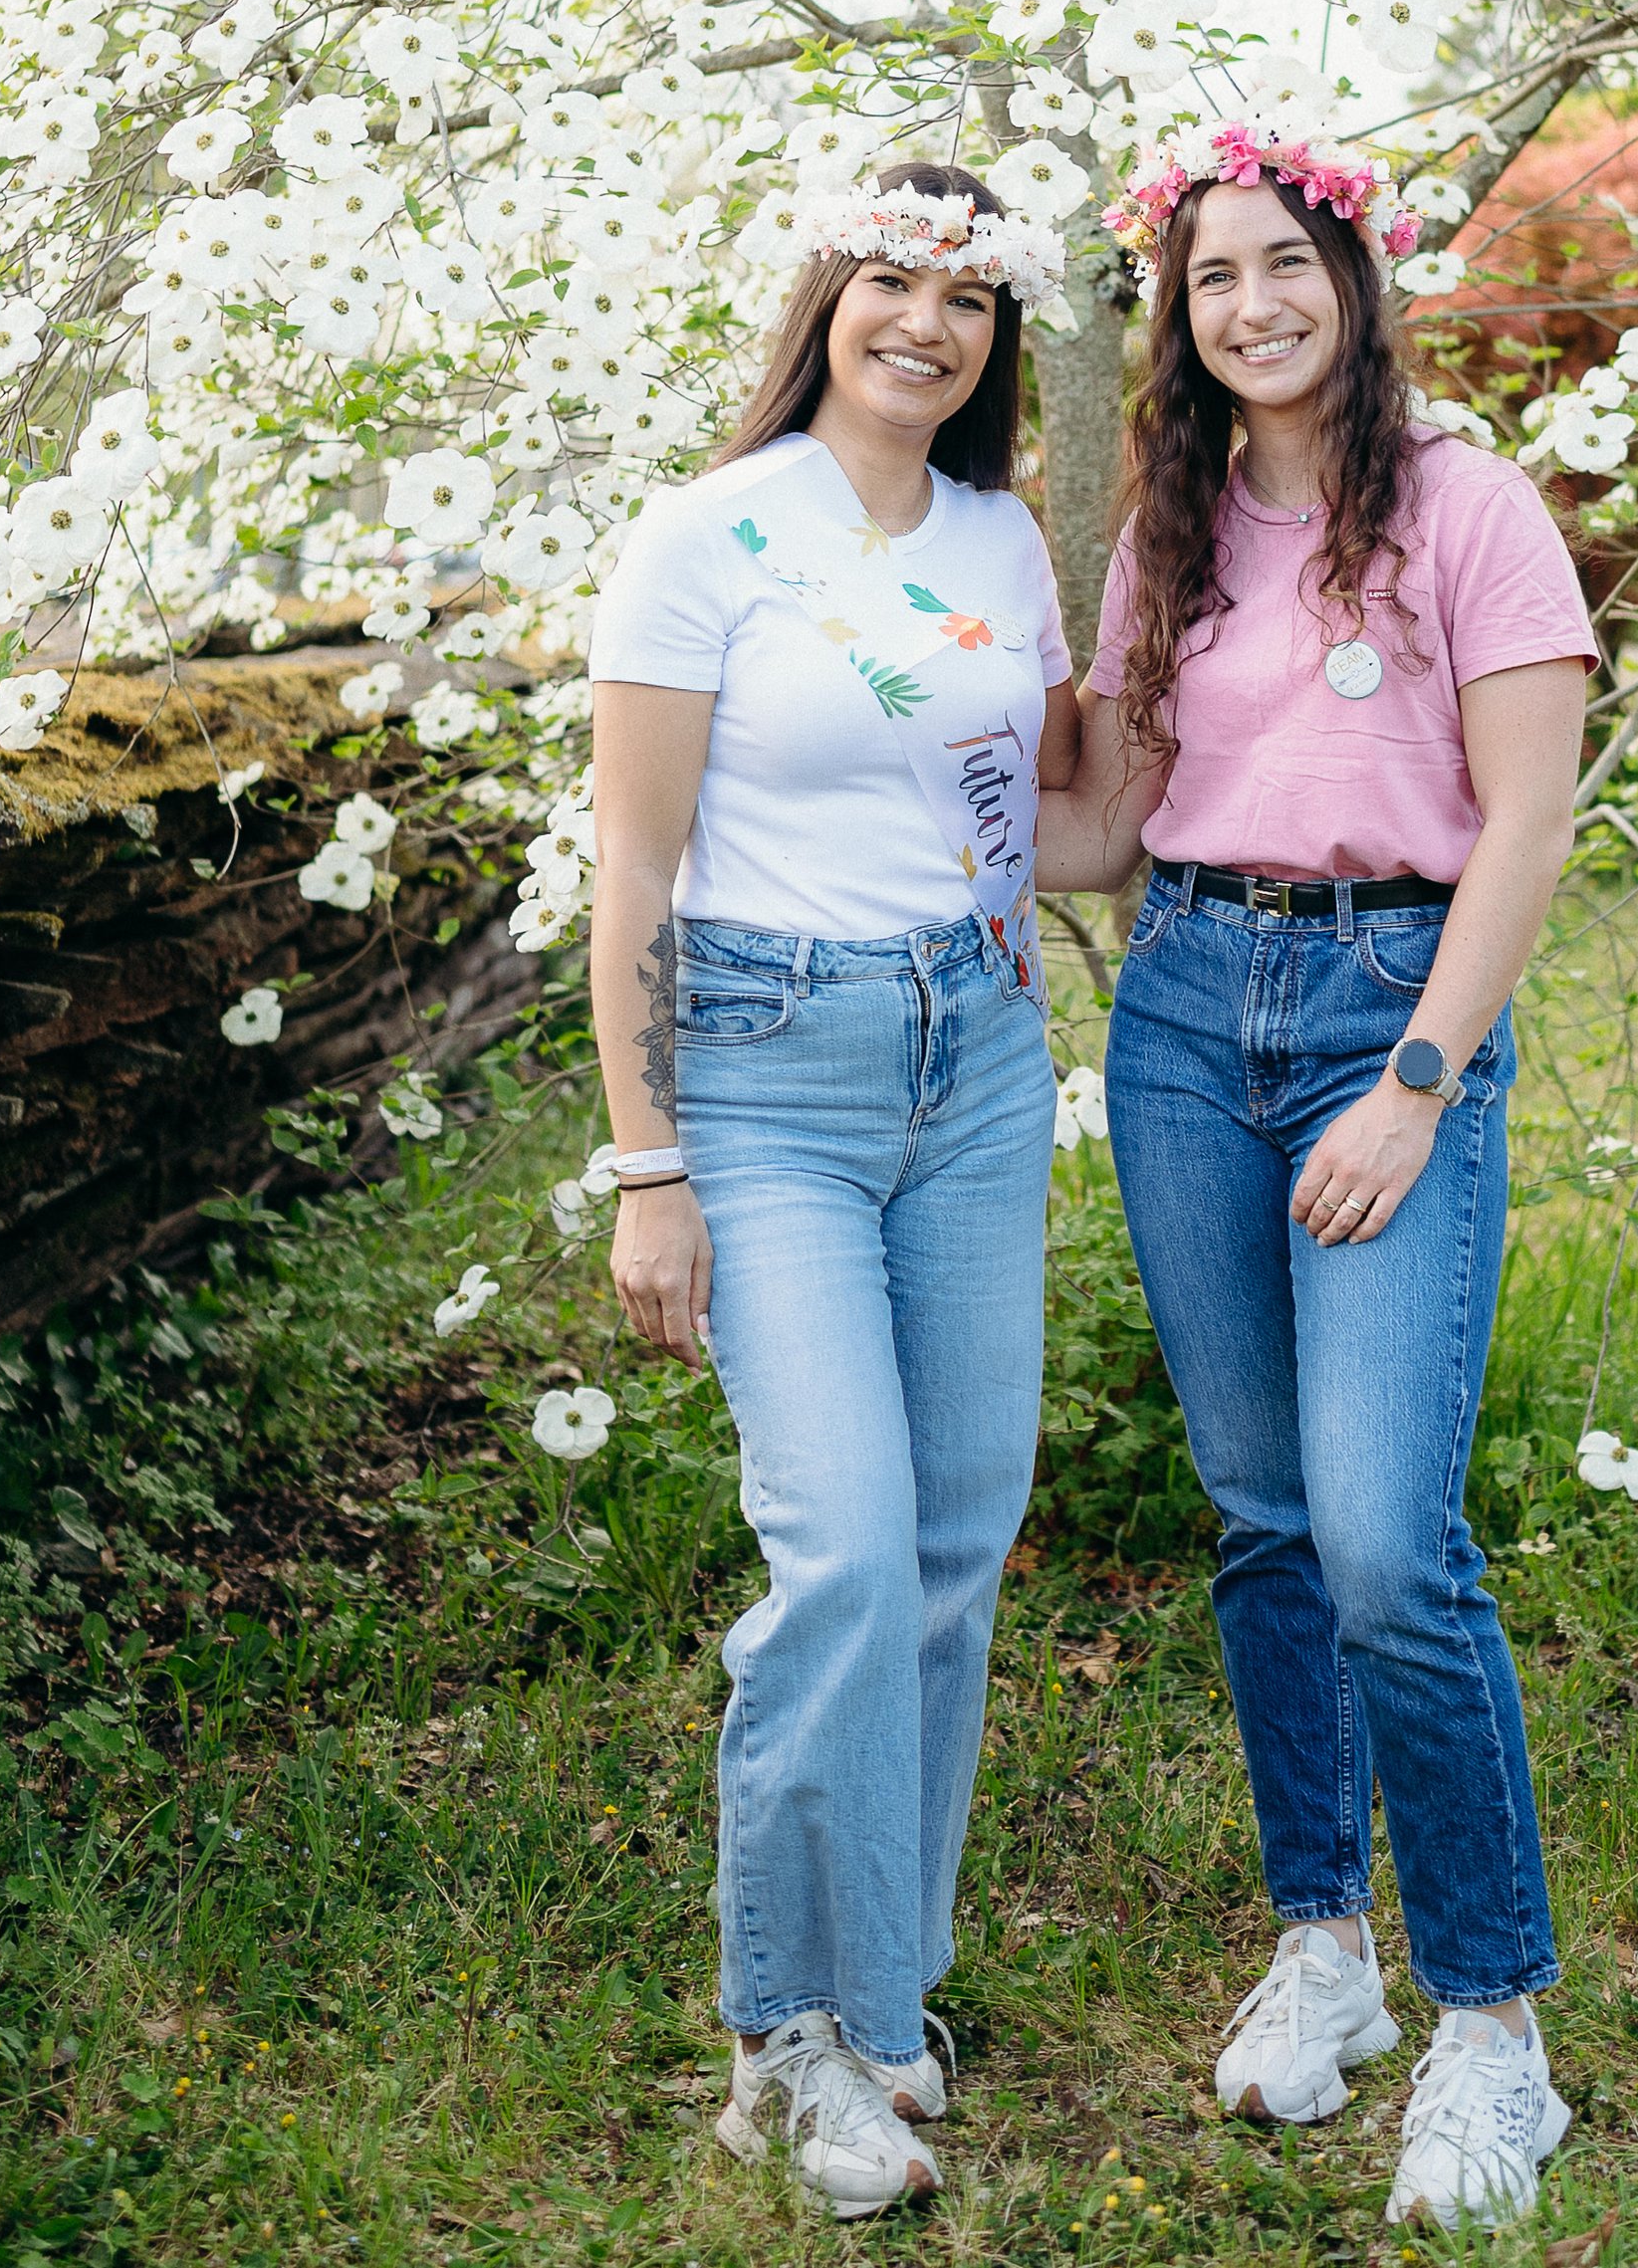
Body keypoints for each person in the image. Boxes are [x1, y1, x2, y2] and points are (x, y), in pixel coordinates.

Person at [1037, 120, 1597, 2232]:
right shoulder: (1165, 532)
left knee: (1383, 1540)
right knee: (1262, 1518)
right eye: (1208, 278)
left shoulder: (1466, 505)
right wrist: (897, 778)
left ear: (1350, 279)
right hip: (1184, 1006)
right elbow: (1102, 829)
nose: (1249, 302)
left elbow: (1524, 822)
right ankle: (1323, 1951)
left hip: (1388, 1011)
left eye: (1283, 260)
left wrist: (1418, 1080)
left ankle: (1493, 2028)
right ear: (1172, 320)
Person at [588, 159, 1076, 2220]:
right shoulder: (711, 533)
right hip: (764, 1067)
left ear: (994, 336)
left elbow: (1038, 821)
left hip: (971, 1052)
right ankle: (773, 2025)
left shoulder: (1002, 539)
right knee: (846, 1550)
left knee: (957, 1537)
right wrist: (649, 1161)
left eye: (968, 292)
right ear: (828, 292)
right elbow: (631, 865)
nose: (927, 318)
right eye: (893, 273)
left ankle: (886, 2002)